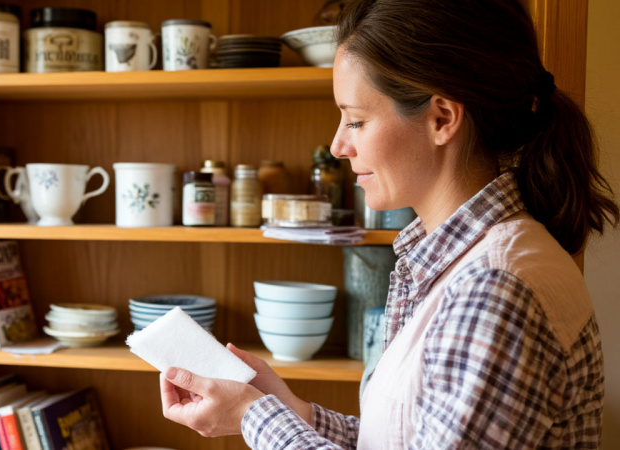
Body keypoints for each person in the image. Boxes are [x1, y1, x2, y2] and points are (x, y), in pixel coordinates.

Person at [158, 0, 620, 448]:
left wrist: (253, 415)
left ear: (441, 118)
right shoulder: (455, 262)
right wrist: (288, 410)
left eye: (356, 121)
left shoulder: (494, 290)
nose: (338, 146)